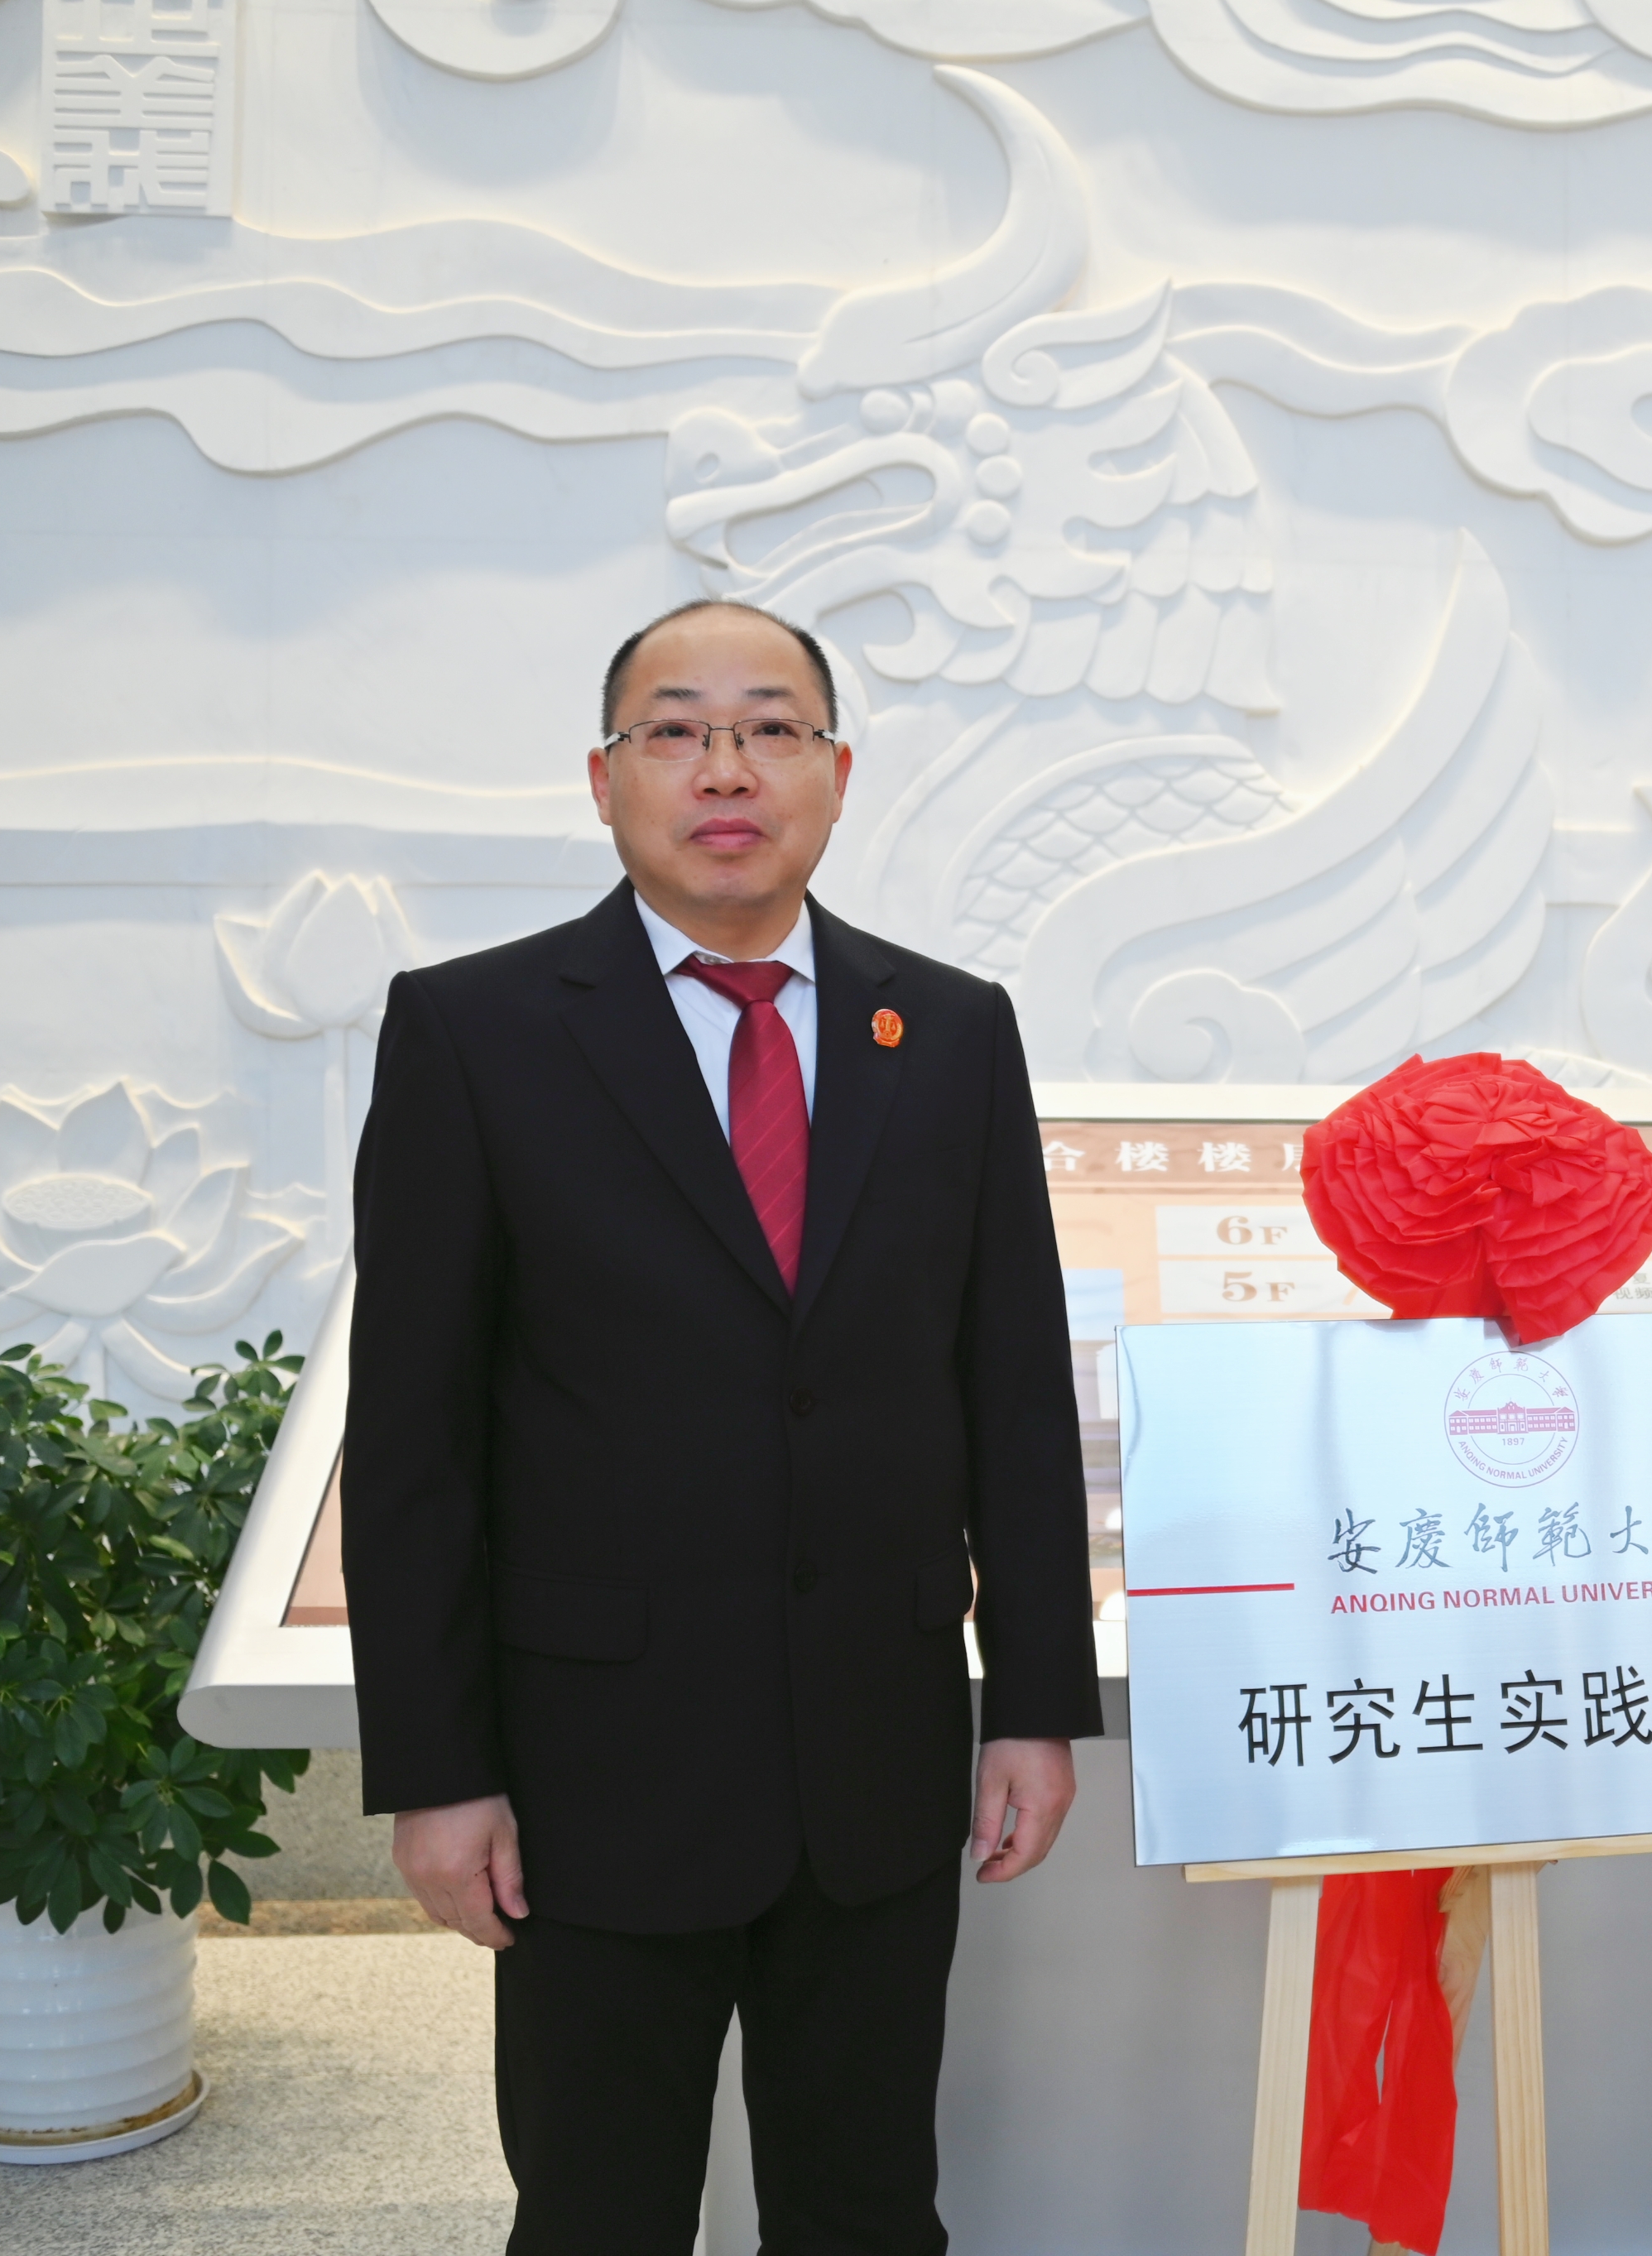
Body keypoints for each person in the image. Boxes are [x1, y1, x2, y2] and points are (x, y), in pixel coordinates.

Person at [342, 598, 1101, 2254]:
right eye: (675, 729)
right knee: (598, 2206)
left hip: (876, 1751)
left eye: (770, 727)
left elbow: (1010, 1383)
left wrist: (1036, 1702)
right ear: (604, 778)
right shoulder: (475, 1032)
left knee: (868, 2205)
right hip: (593, 1766)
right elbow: (411, 1439)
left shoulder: (948, 1028)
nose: (725, 768)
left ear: (837, 773)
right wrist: (438, 1770)